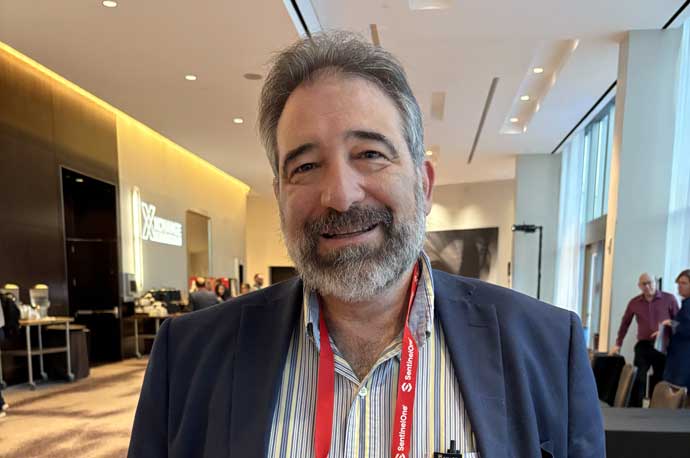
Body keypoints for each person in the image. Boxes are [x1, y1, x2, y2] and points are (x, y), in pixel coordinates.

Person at [129, 31, 604, 458]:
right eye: (305, 166)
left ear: (423, 183)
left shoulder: (546, 348)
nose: (340, 195)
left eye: (370, 154)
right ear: (279, 195)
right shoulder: (187, 357)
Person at [610, 272, 679, 406]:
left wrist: (667, 327)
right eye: (644, 284)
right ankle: (636, 409)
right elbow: (625, 324)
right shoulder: (634, 302)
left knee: (660, 379)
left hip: (663, 346)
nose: (647, 286)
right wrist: (618, 344)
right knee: (638, 378)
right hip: (643, 345)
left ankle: (656, 408)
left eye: (650, 283)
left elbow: (679, 322)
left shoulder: (669, 299)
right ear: (639, 286)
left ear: (655, 282)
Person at [663, 269, 690, 390]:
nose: (679, 286)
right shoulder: (685, 303)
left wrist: (671, 323)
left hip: (683, 357)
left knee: (677, 393)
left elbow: (687, 328)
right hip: (679, 355)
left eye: (684, 283)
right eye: (678, 283)